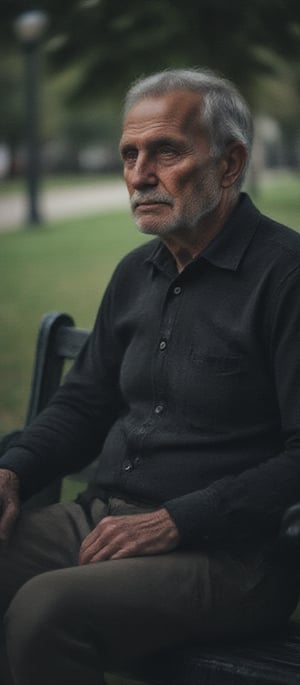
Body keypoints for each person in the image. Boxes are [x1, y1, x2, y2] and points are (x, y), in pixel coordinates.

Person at [0, 67, 300, 685]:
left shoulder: (286, 278)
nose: (140, 174)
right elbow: (82, 405)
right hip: (103, 521)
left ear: (229, 163)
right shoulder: (136, 272)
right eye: (130, 154)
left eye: (166, 151)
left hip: (231, 554)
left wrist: (178, 519)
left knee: (46, 609)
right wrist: (14, 470)